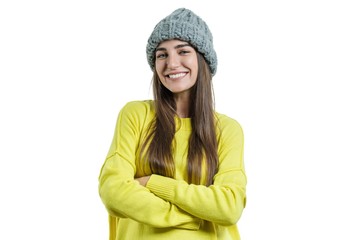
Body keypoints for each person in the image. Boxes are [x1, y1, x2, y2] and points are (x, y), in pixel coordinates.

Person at [98, 8, 247, 240]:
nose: (172, 63)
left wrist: (152, 182)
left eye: (183, 51)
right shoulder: (136, 114)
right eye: (162, 55)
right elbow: (113, 190)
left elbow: (229, 207)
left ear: (202, 59)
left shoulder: (227, 130)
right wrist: (194, 217)